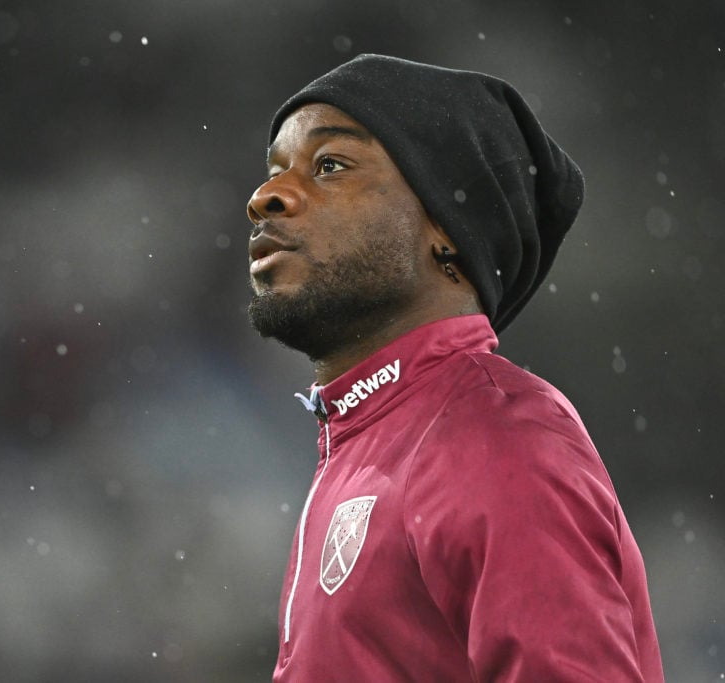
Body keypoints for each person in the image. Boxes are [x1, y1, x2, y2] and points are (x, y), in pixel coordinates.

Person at [246, 54, 663, 682]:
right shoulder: (371, 443)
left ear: (446, 224)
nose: (264, 198)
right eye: (274, 171)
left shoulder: (493, 437)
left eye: (330, 165)